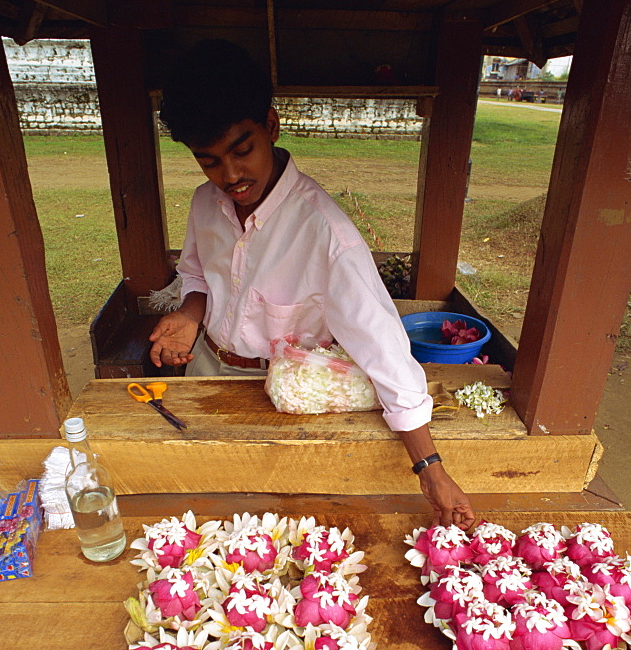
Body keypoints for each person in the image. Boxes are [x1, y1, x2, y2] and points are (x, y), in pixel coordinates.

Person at [149, 40, 475, 530]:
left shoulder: (328, 234)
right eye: (210, 161)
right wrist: (191, 316)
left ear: (271, 126)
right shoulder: (204, 204)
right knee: (204, 507)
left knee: (280, 519)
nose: (231, 176)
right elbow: (196, 272)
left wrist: (429, 467)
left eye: (243, 151)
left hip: (288, 397)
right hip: (207, 373)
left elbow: (383, 346)